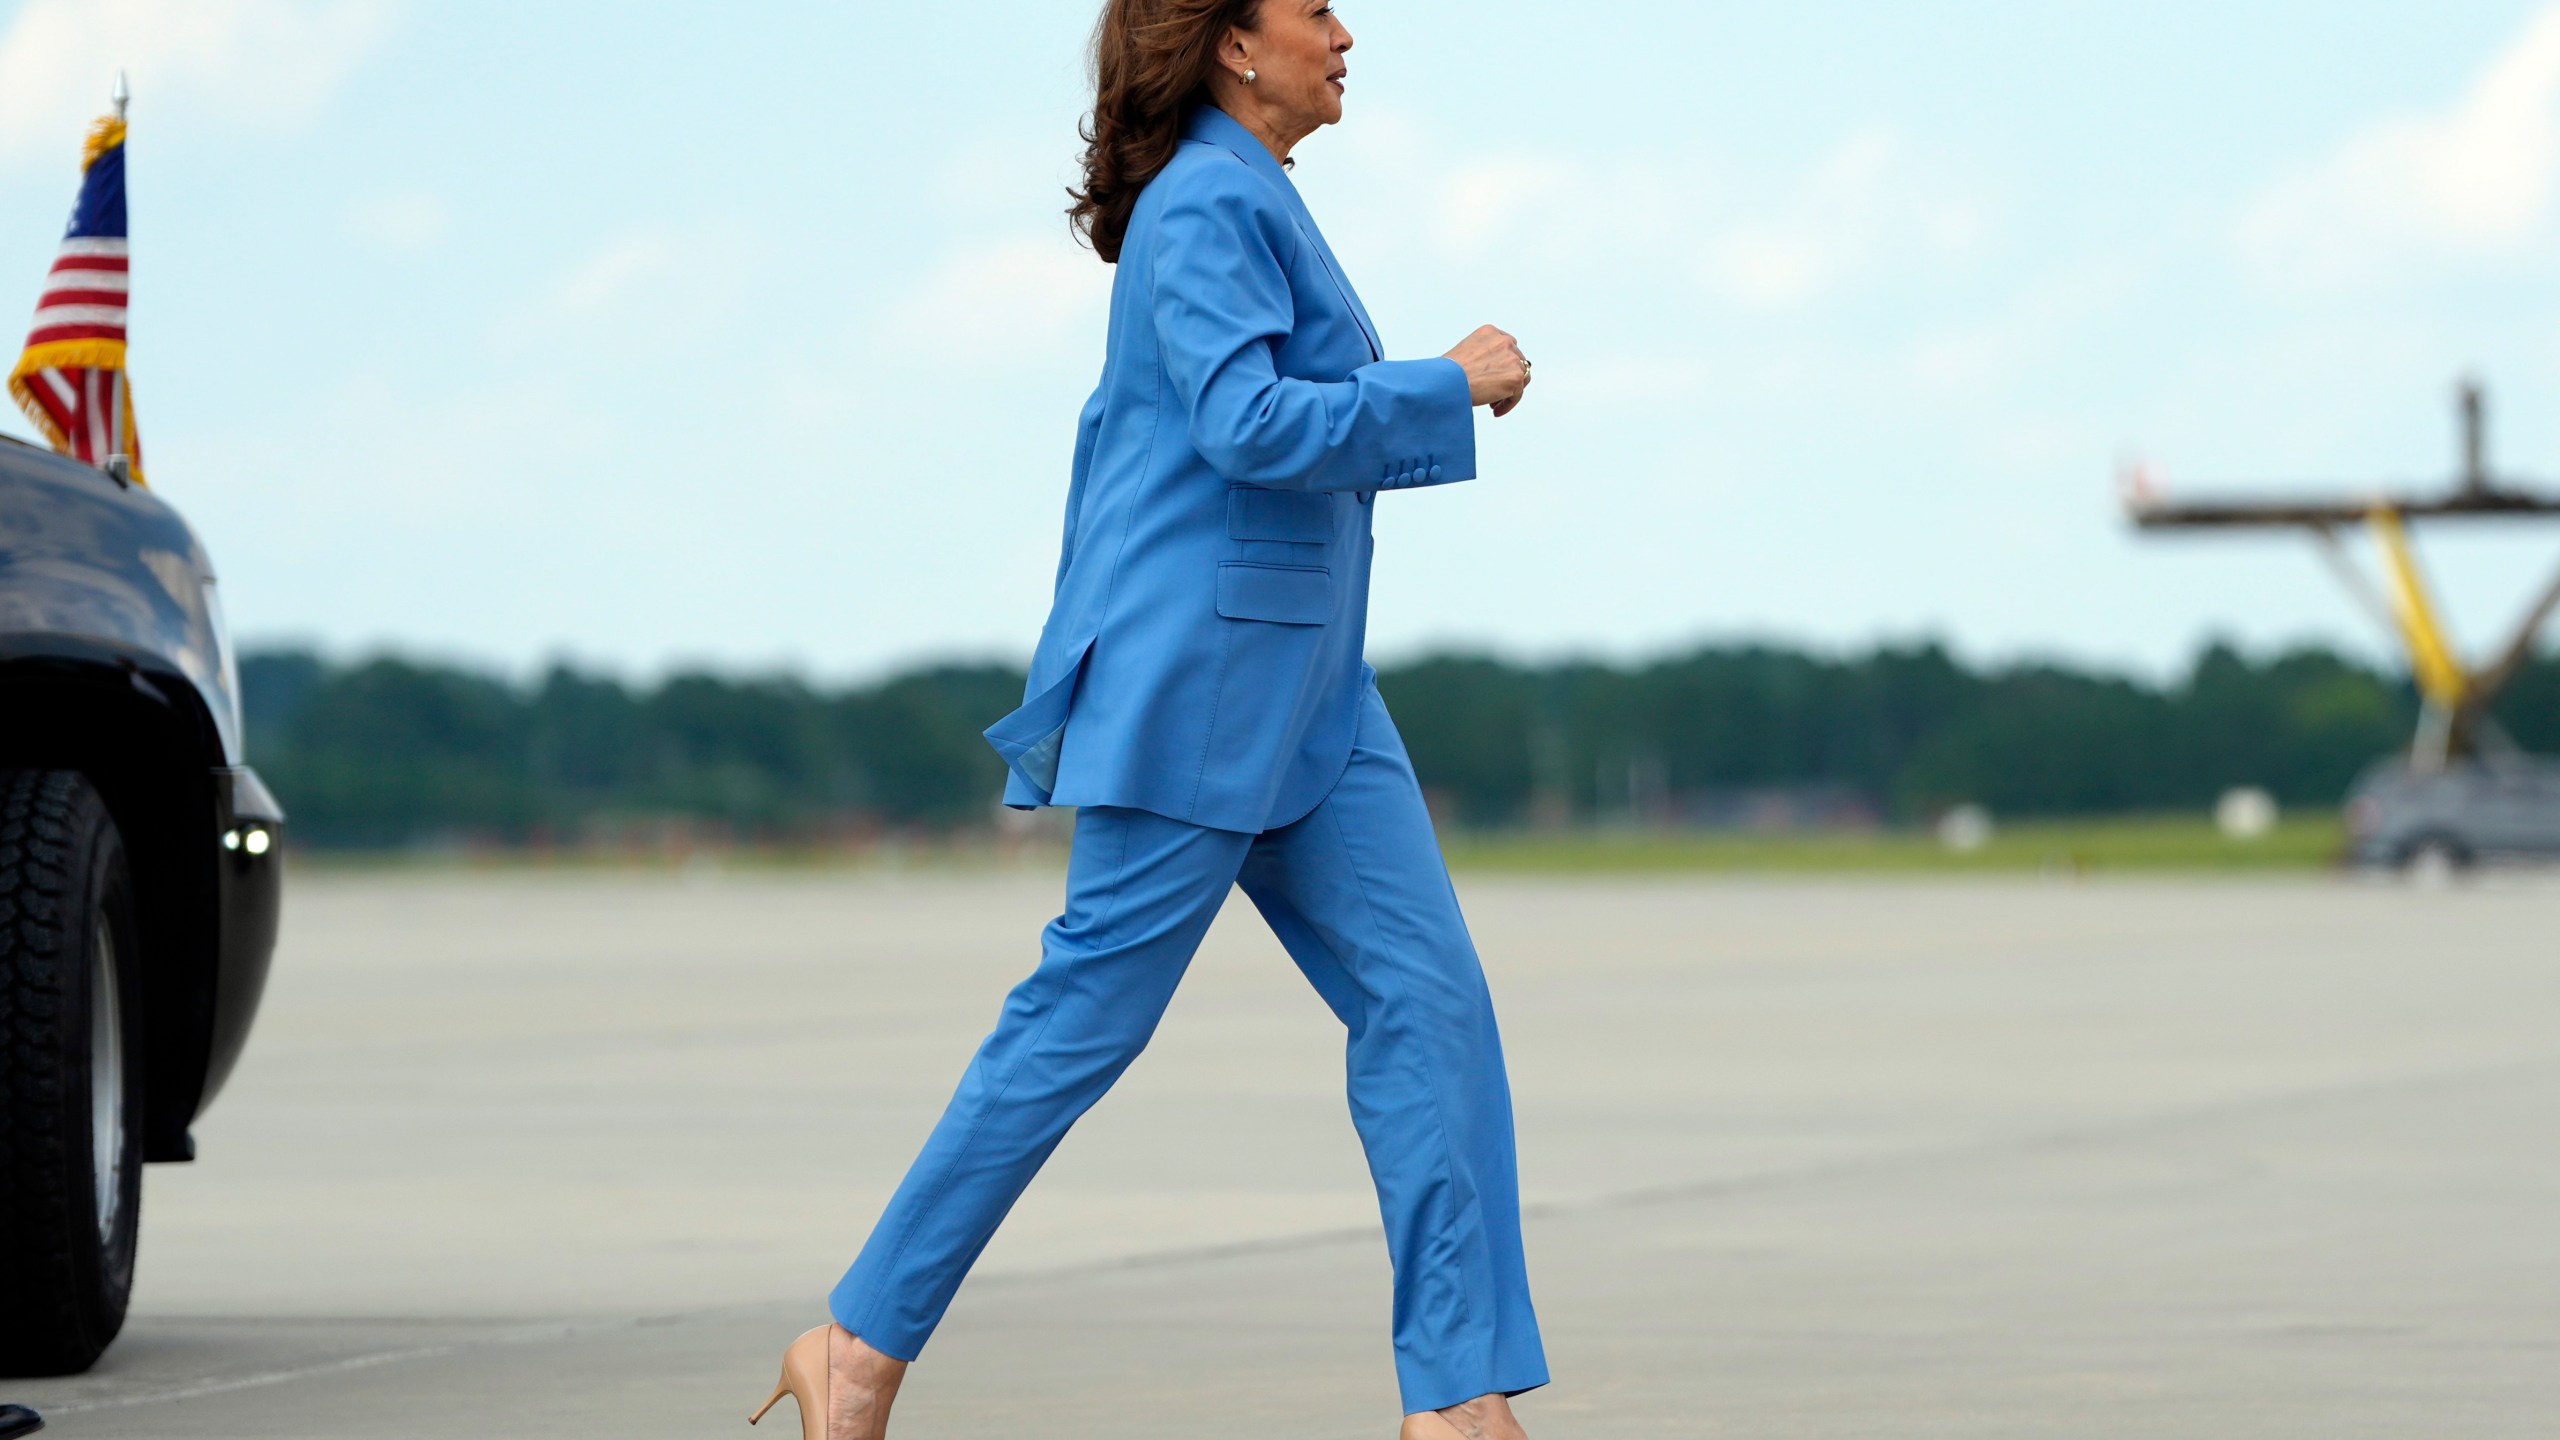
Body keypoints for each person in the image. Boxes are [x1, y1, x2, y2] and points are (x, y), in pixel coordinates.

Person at [751, 2, 1542, 1436]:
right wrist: (1444, 385)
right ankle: (856, 1345)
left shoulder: (1256, 198)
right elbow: (1244, 423)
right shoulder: (1201, 206)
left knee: (1432, 1011)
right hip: (1204, 687)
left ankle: (1459, 1403)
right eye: (1315, 8)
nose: (1346, 31)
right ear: (1236, 44)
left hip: (1315, 695)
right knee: (1076, 1026)